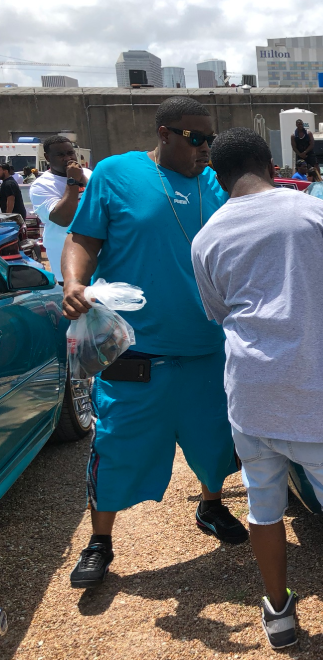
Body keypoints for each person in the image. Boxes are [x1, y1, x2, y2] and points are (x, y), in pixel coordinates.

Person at [190, 127, 323, 655]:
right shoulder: (314, 213)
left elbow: (219, 315)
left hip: (250, 397)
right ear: (271, 162)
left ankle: (279, 614)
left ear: (216, 177)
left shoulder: (205, 238)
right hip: (314, 392)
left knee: (263, 508)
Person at [61, 97, 247, 590]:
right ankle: (100, 541)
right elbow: (82, 239)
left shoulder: (216, 184)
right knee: (117, 442)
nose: (206, 149)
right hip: (135, 349)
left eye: (210, 139)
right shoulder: (117, 174)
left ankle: (211, 507)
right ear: (164, 134)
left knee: (215, 440)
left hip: (207, 344)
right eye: (196, 139)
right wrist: (73, 283)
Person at [29, 136, 92, 282]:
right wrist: (73, 181)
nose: (68, 158)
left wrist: (84, 180)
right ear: (47, 157)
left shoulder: (88, 174)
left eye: (70, 153)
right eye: (61, 155)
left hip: (97, 253)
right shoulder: (41, 186)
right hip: (66, 257)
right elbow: (64, 219)